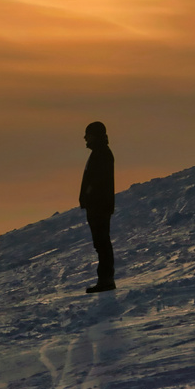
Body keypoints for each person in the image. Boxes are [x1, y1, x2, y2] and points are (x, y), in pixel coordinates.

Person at [78, 121, 116, 293]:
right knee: (100, 242)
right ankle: (105, 279)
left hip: (99, 206)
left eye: (88, 134)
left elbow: (98, 181)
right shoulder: (99, 153)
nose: (85, 138)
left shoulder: (102, 154)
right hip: (97, 205)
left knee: (102, 242)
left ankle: (106, 279)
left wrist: (90, 194)